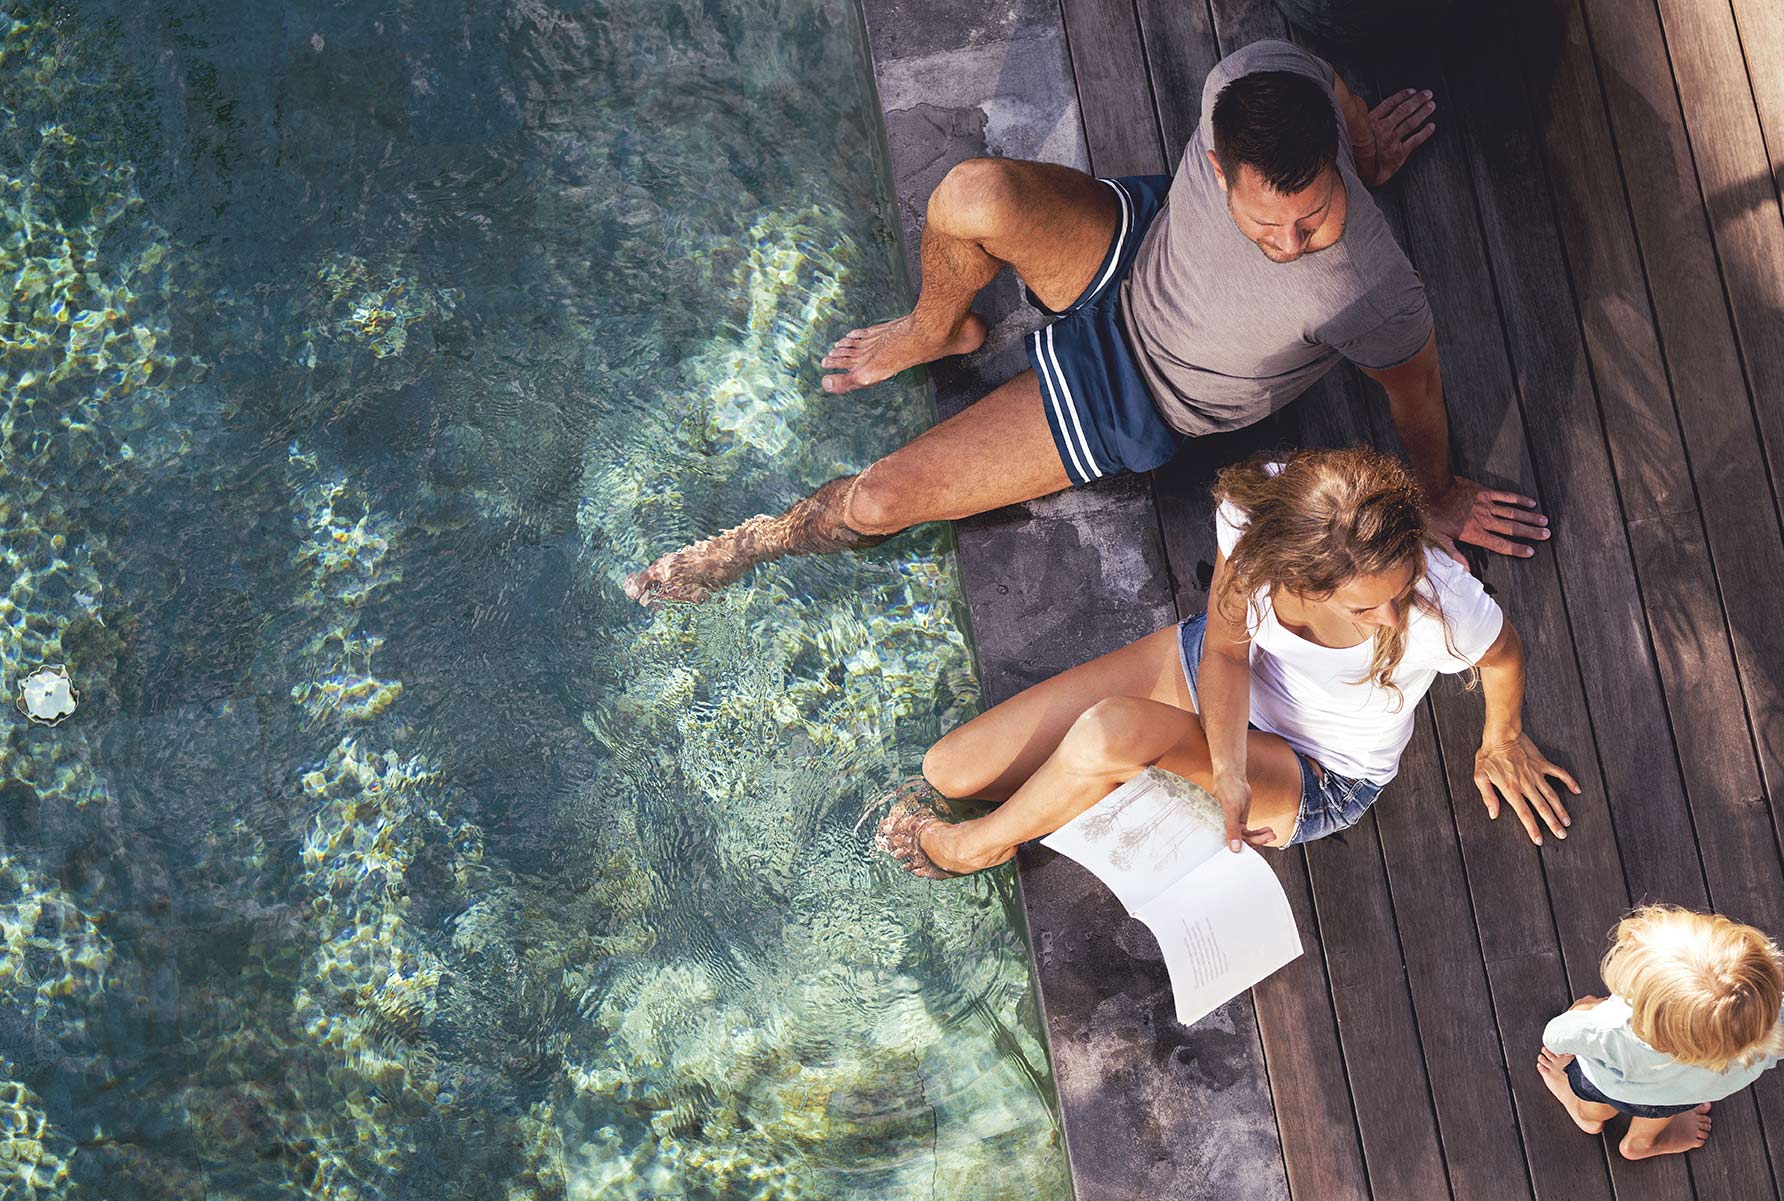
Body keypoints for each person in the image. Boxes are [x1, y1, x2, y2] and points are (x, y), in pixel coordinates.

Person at [624, 40, 1551, 607]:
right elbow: (1319, 76)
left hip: (1144, 391)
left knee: (876, 502)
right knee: (969, 195)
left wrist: (1435, 491)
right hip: (1139, 246)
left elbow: (1418, 390)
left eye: (1316, 213)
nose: (1296, 241)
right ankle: (934, 327)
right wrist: (1360, 126)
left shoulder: (1370, 287)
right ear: (1222, 168)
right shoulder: (1251, 76)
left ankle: (755, 543)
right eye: (1268, 222)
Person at [871, 447, 1577, 878]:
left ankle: (978, 849)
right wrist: (1225, 764)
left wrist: (1501, 738)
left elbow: (1503, 650)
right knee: (951, 769)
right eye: (1366, 608)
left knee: (1109, 732)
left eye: (1397, 592)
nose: (1392, 619)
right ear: (1295, 572)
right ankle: (1083, 791)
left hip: (1319, 767)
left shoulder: (1437, 608)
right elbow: (1229, 648)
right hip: (1213, 671)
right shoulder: (1255, 509)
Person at [1536, 905, 1784, 1160]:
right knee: (1661, 1106)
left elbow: (1555, 1036)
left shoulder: (1612, 1028)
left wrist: (1587, 1009)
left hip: (1610, 1083)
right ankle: (1639, 1143)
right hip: (1682, 1094)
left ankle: (1587, 1117)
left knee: (1597, 1097)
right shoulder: (1772, 1024)